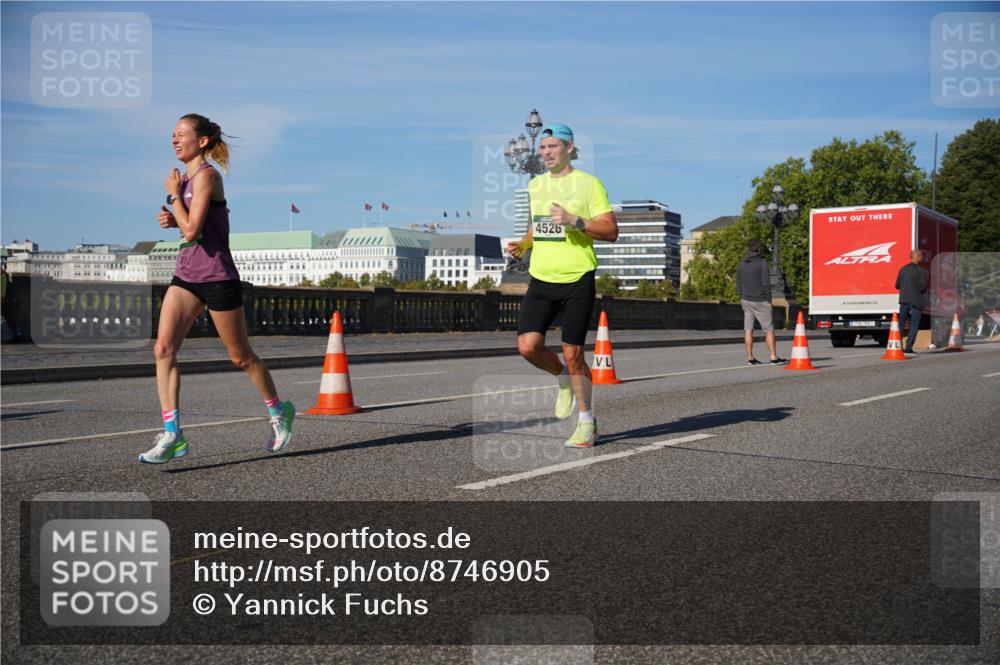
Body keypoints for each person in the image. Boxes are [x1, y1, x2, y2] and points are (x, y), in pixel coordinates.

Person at [139, 114, 294, 463]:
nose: (175, 140)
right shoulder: (186, 181)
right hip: (186, 276)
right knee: (163, 349)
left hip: (217, 277)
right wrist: (171, 219)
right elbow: (188, 229)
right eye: (172, 135)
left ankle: (278, 410)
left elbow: (193, 230)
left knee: (241, 357)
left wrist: (172, 196)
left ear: (203, 141)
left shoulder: (207, 176)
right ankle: (173, 434)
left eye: (182, 135)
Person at [506, 123, 618, 448]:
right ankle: (562, 379)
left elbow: (611, 231)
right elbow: (537, 227)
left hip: (577, 278)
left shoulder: (589, 184)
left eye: (553, 146)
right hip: (542, 277)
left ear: (570, 148)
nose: (546, 153)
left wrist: (576, 221)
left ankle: (587, 422)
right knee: (527, 347)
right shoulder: (536, 185)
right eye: (542, 148)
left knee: (573, 354)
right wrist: (524, 245)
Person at [736, 238, 785, 365]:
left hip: (746, 300)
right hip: (760, 300)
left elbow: (738, 283)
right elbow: (765, 284)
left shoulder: (742, 263)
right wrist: (769, 300)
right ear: (759, 249)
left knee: (748, 329)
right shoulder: (762, 262)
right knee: (769, 329)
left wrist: (742, 296)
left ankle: (750, 358)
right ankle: (773, 357)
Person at [894, 249, 927, 354]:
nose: (922, 257)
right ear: (916, 256)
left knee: (900, 324)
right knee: (914, 325)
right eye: (921, 255)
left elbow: (897, 285)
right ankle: (908, 347)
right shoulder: (920, 271)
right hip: (916, 301)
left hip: (904, 300)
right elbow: (922, 287)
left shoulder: (902, 269)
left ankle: (898, 346)